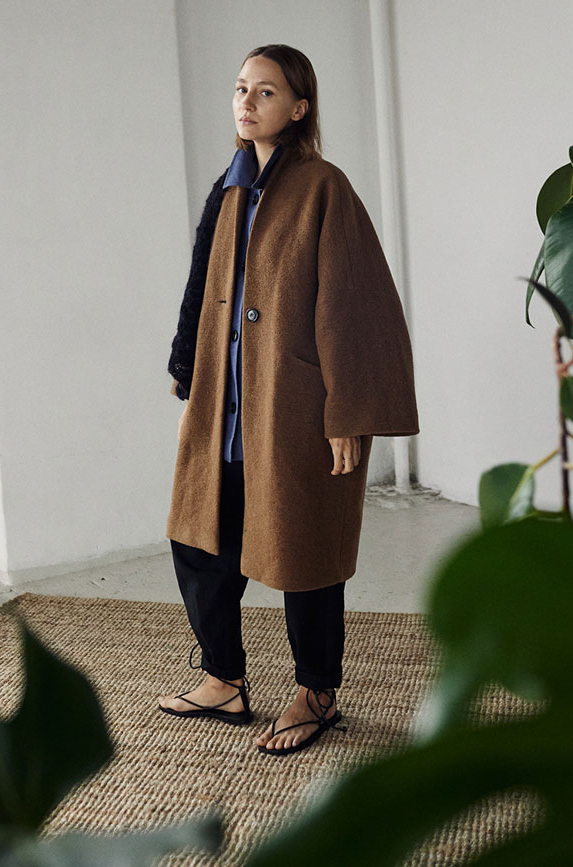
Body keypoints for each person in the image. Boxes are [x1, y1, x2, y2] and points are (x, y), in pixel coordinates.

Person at [159, 44, 418, 755]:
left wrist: (347, 413)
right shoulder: (228, 189)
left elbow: (353, 305)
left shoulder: (323, 187)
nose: (246, 102)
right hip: (226, 405)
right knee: (198, 539)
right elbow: (200, 288)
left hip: (294, 405)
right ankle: (223, 678)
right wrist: (188, 375)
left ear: (299, 108)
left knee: (306, 550)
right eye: (241, 87)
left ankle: (316, 692)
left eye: (266, 91)